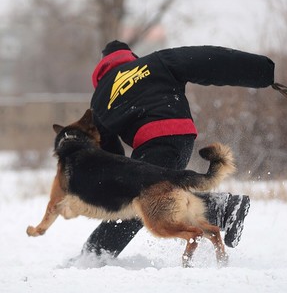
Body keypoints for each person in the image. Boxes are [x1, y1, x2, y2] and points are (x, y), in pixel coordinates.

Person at [83, 40, 275, 257]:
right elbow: (207, 59)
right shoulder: (156, 62)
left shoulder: (100, 98)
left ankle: (93, 256)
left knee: (137, 204)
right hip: (182, 135)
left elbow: (110, 154)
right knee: (155, 196)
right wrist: (262, 72)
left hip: (152, 141)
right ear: (130, 57)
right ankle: (223, 209)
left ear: (100, 69)